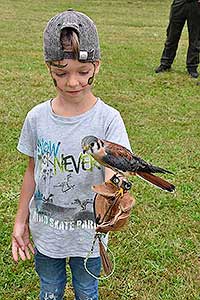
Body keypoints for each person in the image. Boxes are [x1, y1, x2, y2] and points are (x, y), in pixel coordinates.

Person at [11, 8, 131, 300]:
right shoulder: (37, 118)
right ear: (48, 68)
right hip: (47, 233)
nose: (72, 82)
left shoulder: (108, 120)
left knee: (87, 290)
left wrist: (116, 187)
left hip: (88, 237)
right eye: (61, 73)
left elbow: (115, 169)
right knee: (49, 289)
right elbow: (32, 172)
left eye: (83, 72)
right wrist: (20, 220)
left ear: (97, 66)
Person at [155, 0, 200, 78]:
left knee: (195, 38)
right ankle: (165, 64)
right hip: (179, 3)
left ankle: (192, 67)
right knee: (172, 35)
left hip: (196, 4)